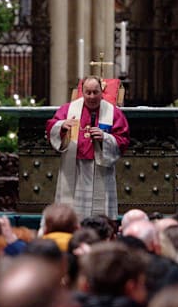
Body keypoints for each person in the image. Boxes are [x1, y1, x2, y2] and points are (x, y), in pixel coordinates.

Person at [45, 76, 130, 218]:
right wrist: (62, 126)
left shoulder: (113, 112)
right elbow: (51, 127)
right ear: (82, 92)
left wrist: (105, 138)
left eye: (95, 92)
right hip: (75, 168)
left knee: (100, 211)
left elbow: (123, 139)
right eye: (88, 92)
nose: (91, 97)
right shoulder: (69, 109)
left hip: (101, 169)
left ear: (101, 92)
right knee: (72, 209)